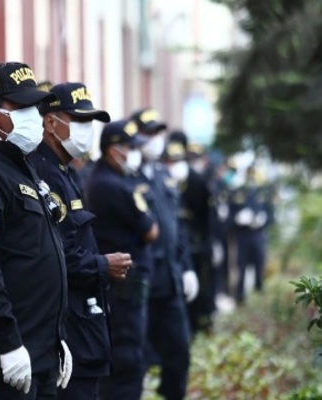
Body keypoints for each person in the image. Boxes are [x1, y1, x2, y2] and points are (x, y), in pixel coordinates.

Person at [0, 62, 71, 399]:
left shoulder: (23, 167)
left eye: (36, 107)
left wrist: (57, 338)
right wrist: (8, 343)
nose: (34, 117)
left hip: (42, 350)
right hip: (11, 357)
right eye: (22, 108)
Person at [28, 83, 132, 400]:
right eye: (80, 120)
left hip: (85, 322)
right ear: (50, 122)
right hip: (67, 325)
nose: (86, 130)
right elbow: (57, 254)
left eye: (90, 122)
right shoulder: (43, 173)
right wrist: (102, 265)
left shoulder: (66, 172)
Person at [85, 119, 159, 400]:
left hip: (124, 287)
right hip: (121, 290)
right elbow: (151, 231)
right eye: (130, 148)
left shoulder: (112, 180)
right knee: (127, 362)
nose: (133, 154)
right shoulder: (111, 185)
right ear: (114, 150)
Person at [130, 109, 198, 400]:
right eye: (149, 133)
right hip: (141, 284)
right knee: (137, 360)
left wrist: (187, 267)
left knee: (179, 353)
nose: (155, 139)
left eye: (158, 133)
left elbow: (176, 229)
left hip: (170, 282)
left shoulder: (163, 176)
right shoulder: (126, 176)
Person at [162, 131, 216, 333]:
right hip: (171, 241)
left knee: (198, 288)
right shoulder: (161, 178)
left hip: (195, 242)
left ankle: (198, 323)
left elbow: (206, 216)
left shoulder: (196, 180)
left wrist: (209, 243)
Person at [229, 165, 273, 303]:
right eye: (250, 176)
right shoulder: (238, 192)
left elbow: (271, 215)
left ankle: (259, 294)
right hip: (243, 234)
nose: (252, 179)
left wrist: (263, 219)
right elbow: (229, 216)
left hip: (258, 234)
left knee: (259, 263)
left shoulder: (263, 193)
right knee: (241, 265)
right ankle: (240, 296)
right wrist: (238, 218)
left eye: (254, 176)